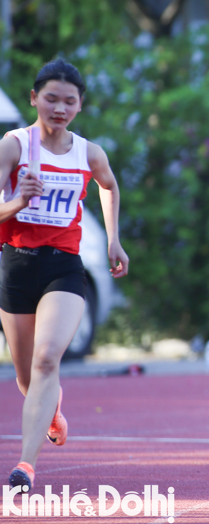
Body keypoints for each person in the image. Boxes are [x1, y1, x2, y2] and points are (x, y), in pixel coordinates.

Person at [1, 59, 129, 493]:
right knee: (25, 376)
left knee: (46, 359)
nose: (59, 108)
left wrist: (113, 240)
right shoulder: (13, 145)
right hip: (16, 263)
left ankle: (25, 466)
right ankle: (52, 409)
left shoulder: (88, 152)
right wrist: (17, 202)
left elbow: (109, 185)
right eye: (51, 98)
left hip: (63, 265)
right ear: (34, 98)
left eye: (68, 101)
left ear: (79, 106)